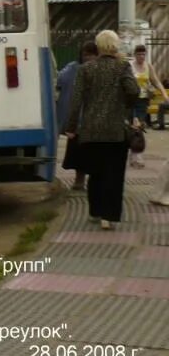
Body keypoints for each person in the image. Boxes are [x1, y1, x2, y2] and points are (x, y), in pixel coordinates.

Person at [65, 30, 139, 230]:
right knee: (114, 174)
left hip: (91, 131)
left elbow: (76, 100)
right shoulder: (123, 67)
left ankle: (95, 211)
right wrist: (126, 106)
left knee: (95, 173)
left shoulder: (86, 69)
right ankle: (110, 215)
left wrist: (71, 127)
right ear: (115, 46)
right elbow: (133, 90)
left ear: (97, 47)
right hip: (115, 130)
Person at [56, 41, 99, 190]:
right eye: (86, 54)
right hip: (78, 119)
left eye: (92, 54)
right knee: (78, 151)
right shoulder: (72, 68)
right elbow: (59, 80)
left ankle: (94, 182)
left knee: (94, 154)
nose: (88, 58)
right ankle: (79, 180)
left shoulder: (101, 70)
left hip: (95, 120)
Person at [129, 44, 166, 167]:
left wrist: (165, 95)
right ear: (135, 55)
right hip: (131, 100)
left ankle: (135, 155)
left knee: (139, 127)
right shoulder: (130, 66)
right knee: (135, 126)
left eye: (143, 54)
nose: (141, 56)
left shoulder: (148, 66)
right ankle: (135, 156)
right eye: (139, 54)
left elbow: (156, 81)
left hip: (143, 101)